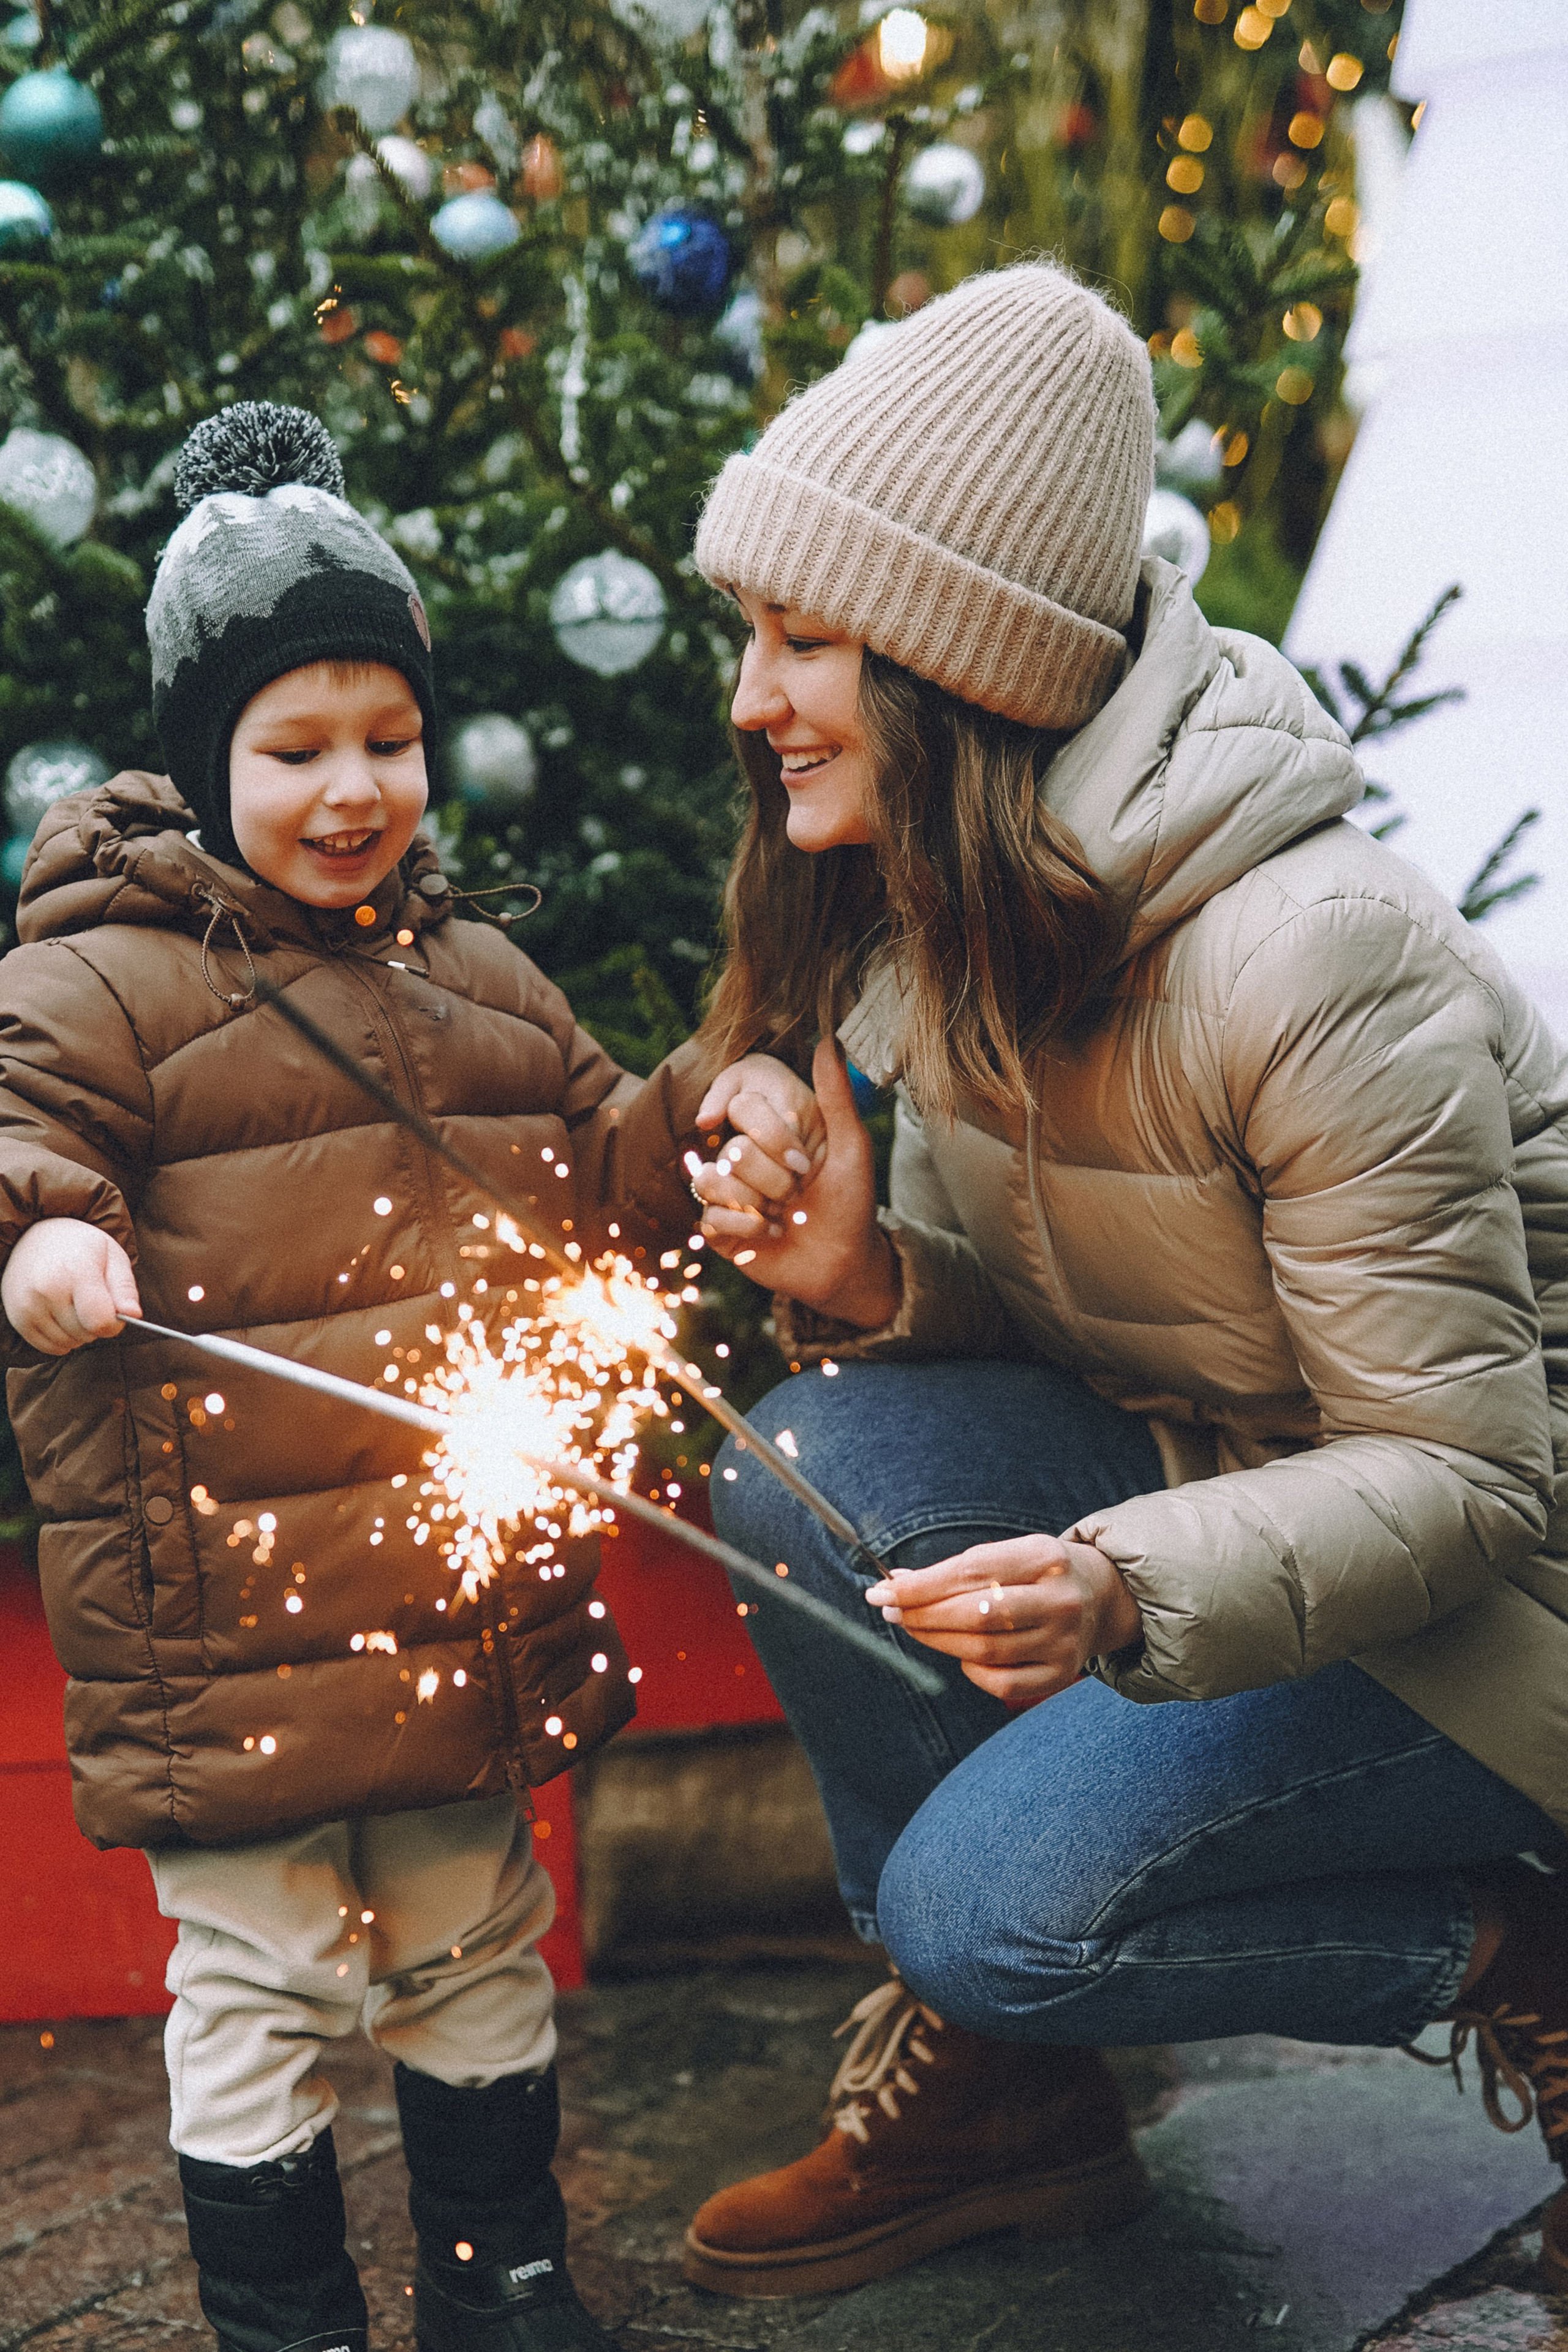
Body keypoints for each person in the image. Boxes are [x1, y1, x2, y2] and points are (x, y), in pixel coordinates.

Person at [680, 262, 1568, 2303]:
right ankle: (1007, 2104)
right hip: (1247, 1498)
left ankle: (1528, 1953)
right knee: (811, 1466)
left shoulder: (1307, 955)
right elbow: (1111, 1316)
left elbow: (1468, 1473)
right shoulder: (961, 904)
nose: (749, 697)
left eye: (803, 638)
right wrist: (873, 1275)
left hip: (1497, 1596)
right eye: (749, 632)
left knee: (990, 1907)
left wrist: (1118, 1585)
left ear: (958, 666)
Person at [0, 403, 815, 2352]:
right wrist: (46, 1240)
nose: (354, 788)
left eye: (390, 739)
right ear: (205, 759)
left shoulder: (479, 981)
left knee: (474, 1941)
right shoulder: (95, 980)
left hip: (456, 1616)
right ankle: (286, 2318)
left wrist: (705, 1106)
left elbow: (600, 1168)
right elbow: (21, 1136)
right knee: (262, 1979)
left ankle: (502, 2286)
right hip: (227, 1625)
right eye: (295, 749)